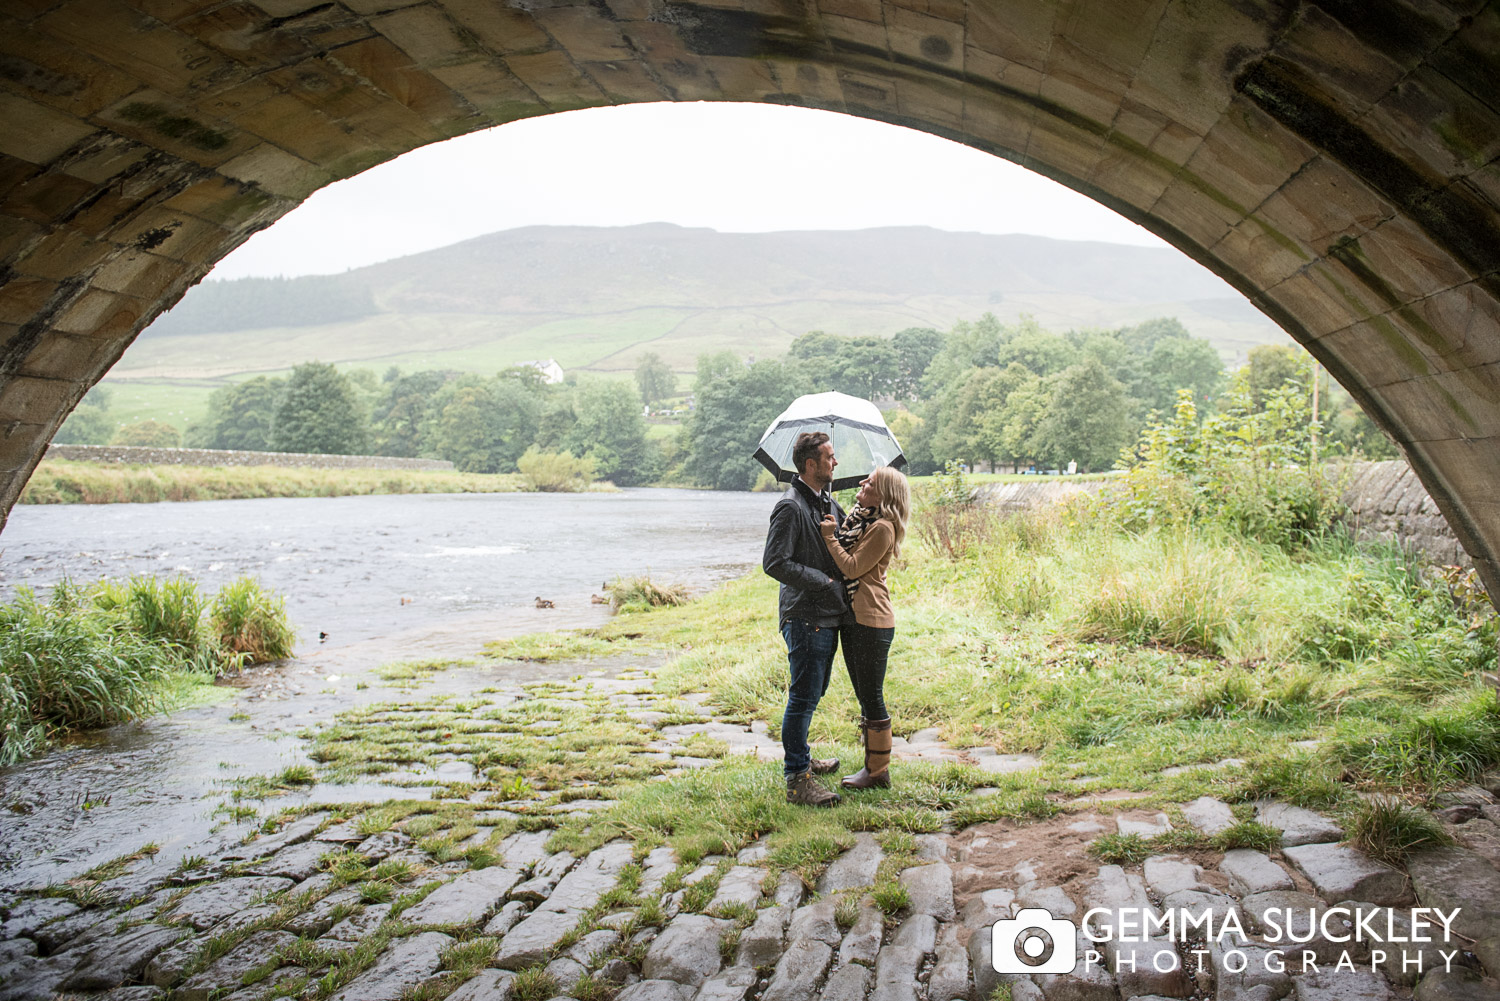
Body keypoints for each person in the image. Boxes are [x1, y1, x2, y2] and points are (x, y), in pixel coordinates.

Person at [762, 430, 850, 807]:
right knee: (802, 697)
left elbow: (843, 539)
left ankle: (803, 759)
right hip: (803, 615)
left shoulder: (825, 501)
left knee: (814, 691)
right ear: (810, 464)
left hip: (825, 613)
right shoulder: (791, 506)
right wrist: (825, 583)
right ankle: (797, 780)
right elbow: (774, 563)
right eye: (830, 457)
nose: (835, 462)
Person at [819, 464, 911, 789]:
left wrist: (830, 538)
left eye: (869, 482)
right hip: (855, 617)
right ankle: (872, 768)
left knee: (871, 696)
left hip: (871, 619)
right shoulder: (860, 520)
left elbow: (853, 568)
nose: (861, 482)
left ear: (883, 494)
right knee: (863, 694)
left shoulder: (882, 527)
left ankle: (877, 772)